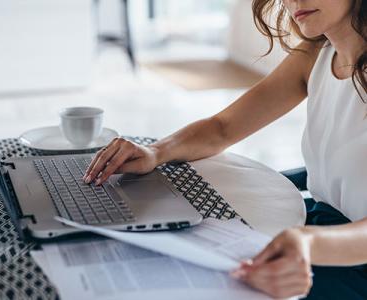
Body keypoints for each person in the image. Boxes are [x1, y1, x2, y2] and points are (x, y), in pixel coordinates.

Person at [83, 0, 367, 298]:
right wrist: (156, 152)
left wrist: (310, 244)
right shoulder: (316, 54)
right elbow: (223, 128)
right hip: (316, 233)